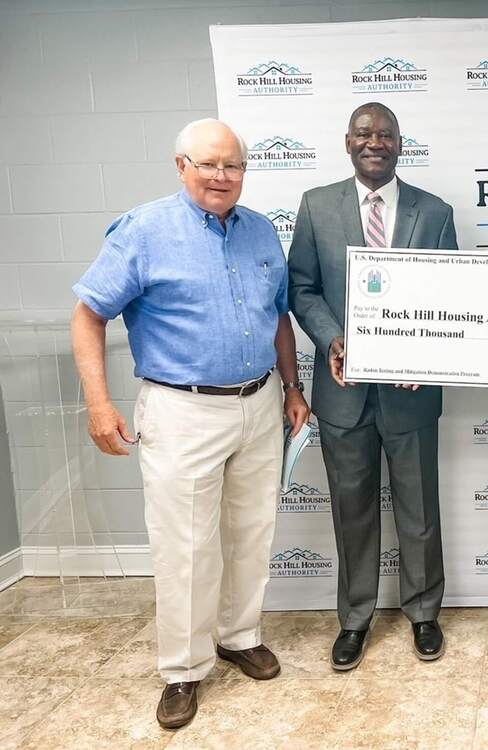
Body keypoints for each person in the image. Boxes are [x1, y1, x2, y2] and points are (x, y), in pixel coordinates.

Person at [71, 118, 309, 730]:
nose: (221, 176)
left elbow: (278, 316)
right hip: (182, 409)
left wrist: (292, 386)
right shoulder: (144, 230)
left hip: (258, 403)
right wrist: (99, 405)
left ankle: (238, 635)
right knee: (186, 547)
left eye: (232, 166)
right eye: (208, 165)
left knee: (251, 532)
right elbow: (88, 315)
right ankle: (182, 668)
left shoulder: (260, 232)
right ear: (181, 166)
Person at [288, 102, 458, 671]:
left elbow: (449, 293)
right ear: (347, 142)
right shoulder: (316, 207)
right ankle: (355, 619)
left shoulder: (433, 212)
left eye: (385, 135)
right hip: (343, 391)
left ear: (400, 144)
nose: (374, 142)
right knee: (352, 509)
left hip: (411, 390)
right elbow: (302, 289)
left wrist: (425, 351)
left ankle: (424, 611)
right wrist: (334, 337)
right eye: (364, 134)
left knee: (419, 508)